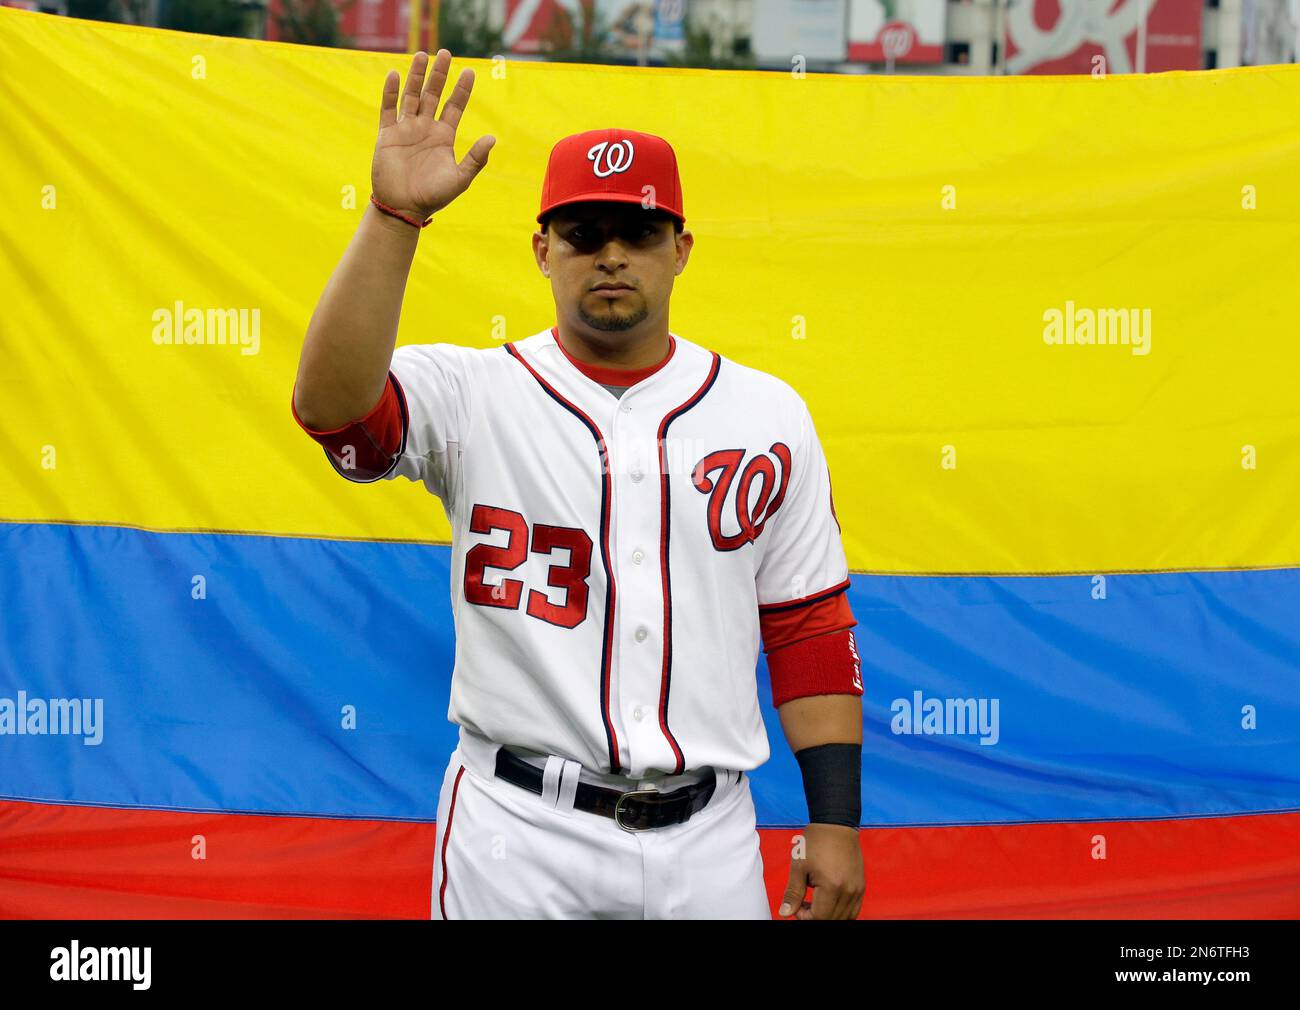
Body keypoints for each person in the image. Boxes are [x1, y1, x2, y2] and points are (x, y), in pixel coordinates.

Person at [292, 49, 865, 920]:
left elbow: (808, 626)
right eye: (582, 233)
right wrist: (393, 216)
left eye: (636, 232)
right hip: (516, 833)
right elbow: (332, 410)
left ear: (680, 249)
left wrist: (836, 825)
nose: (610, 255)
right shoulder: (472, 391)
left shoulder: (767, 414)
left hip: (708, 839)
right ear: (541, 249)